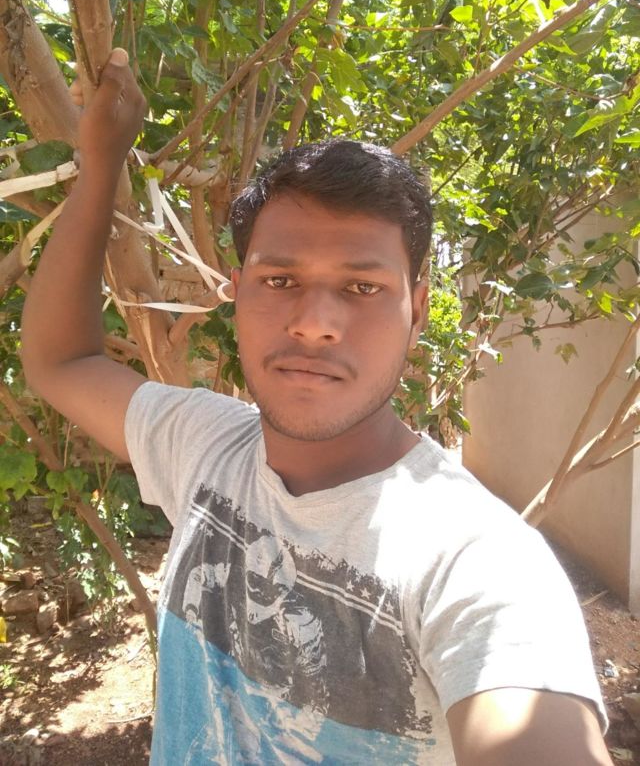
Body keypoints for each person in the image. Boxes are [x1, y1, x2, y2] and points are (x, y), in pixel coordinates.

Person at [21, 48, 613, 766]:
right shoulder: (205, 446)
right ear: (237, 291)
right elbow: (59, 361)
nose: (313, 323)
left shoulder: (476, 561)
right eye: (280, 280)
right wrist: (101, 160)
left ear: (418, 310)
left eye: (362, 288)